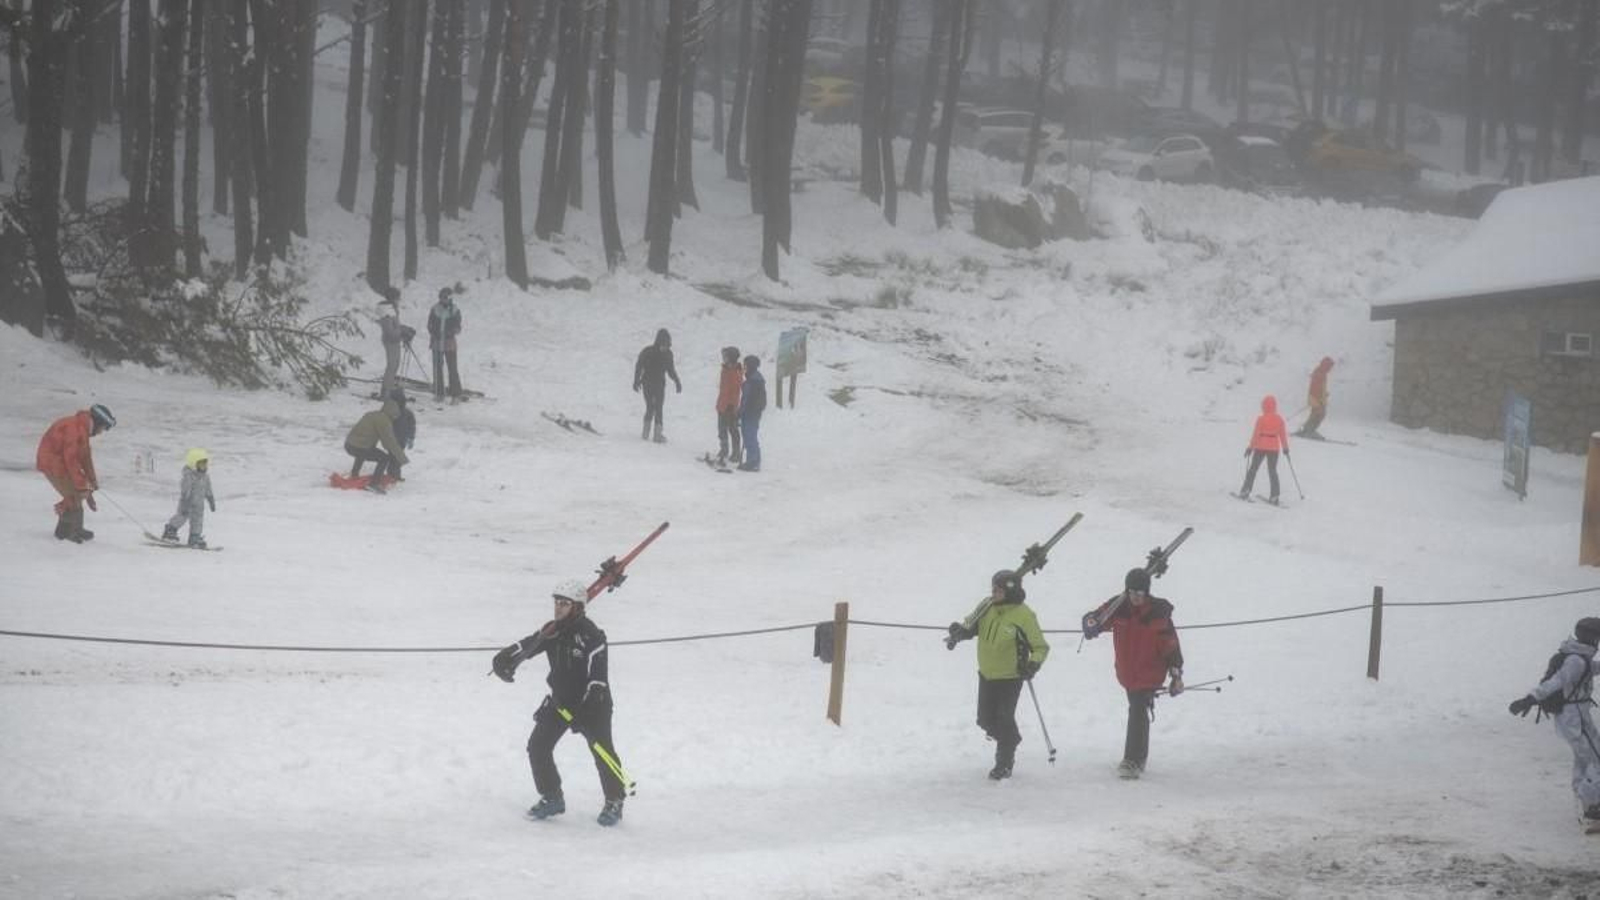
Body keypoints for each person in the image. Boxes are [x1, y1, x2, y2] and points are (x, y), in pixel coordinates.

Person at [492, 579, 628, 827]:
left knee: (603, 752)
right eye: (556, 603)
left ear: (576, 607)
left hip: (593, 705)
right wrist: (505, 658)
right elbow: (529, 645)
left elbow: (598, 678)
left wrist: (588, 706)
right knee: (538, 746)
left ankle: (615, 800)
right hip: (561, 702)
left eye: (564, 604)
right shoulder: (552, 631)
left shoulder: (592, 636)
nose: (558, 608)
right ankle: (552, 796)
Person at [945, 570, 1050, 780]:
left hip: (1010, 677)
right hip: (986, 674)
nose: (993, 593)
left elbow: (1040, 647)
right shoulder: (987, 606)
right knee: (984, 720)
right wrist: (959, 633)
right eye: (993, 588)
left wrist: (1032, 665)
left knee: (1004, 717)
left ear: (1010, 591)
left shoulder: (1024, 615)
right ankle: (1010, 739)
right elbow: (970, 626)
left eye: (998, 590)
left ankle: (1004, 763)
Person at [1082, 568, 1185, 780]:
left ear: (1147, 592)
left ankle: (1133, 760)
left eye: (1140, 593)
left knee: (1138, 709)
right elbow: (1097, 618)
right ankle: (1137, 757)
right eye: (1132, 593)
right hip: (1127, 673)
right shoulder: (1119, 606)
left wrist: (1176, 675)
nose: (1135, 598)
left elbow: (1171, 646)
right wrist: (1090, 623)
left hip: (1150, 673)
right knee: (1137, 708)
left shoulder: (1158, 613)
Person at [1508, 617, 1600, 828]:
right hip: (1574, 718)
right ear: (1591, 638)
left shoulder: (1579, 657)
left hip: (1576, 715)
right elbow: (1555, 682)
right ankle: (1593, 807)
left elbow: (1592, 668)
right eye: (1597, 637)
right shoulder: (1575, 660)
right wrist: (1530, 698)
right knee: (1596, 759)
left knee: (1584, 758)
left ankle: (1585, 799)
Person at [36, 404, 115, 543]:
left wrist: (92, 482)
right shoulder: (74, 429)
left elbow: (85, 458)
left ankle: (75, 529)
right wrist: (81, 485)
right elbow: (71, 460)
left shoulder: (82, 429)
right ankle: (65, 533)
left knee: (78, 493)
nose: (102, 432)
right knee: (73, 494)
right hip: (51, 463)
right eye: (103, 428)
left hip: (61, 463)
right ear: (97, 422)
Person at [344, 398, 409, 493]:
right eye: (395, 415)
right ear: (392, 413)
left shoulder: (372, 414)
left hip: (349, 444)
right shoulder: (384, 420)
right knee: (384, 458)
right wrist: (402, 458)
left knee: (364, 451)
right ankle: (374, 484)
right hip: (360, 446)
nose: (395, 418)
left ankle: (354, 474)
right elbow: (389, 442)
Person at [1237, 394, 1290, 504]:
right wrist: (1285, 448)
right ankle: (1274, 496)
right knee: (1272, 471)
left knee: (1253, 469)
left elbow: (1256, 434)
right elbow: (1283, 435)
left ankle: (1245, 491)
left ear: (1264, 406)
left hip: (1260, 446)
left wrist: (1250, 447)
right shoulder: (1279, 419)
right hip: (1274, 448)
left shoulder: (1261, 419)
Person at [160, 448, 217, 548]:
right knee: (181, 517)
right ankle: (170, 530)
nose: (204, 467)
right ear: (193, 464)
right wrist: (185, 503)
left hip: (199, 505)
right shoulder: (189, 476)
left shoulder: (205, 477)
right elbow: (185, 490)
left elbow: (208, 489)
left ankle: (194, 538)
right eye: (201, 464)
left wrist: (211, 499)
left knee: (198, 521)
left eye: (205, 464)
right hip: (187, 503)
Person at [633, 328, 682, 443]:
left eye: (667, 345)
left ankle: (657, 435)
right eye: (663, 344)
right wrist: (636, 381)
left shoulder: (667, 354)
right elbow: (639, 366)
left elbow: (671, 370)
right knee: (650, 407)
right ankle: (646, 433)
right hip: (647, 383)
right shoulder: (648, 351)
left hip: (659, 385)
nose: (665, 347)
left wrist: (677, 382)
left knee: (659, 408)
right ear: (658, 341)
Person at [376, 288, 414, 399]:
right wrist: (402, 332)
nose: (399, 300)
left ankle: (389, 387)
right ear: (392, 298)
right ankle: (386, 391)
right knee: (392, 365)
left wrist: (405, 329)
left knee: (395, 364)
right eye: (397, 298)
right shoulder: (386, 311)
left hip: (395, 340)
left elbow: (395, 326)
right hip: (390, 341)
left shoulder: (392, 309)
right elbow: (389, 331)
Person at [427, 287, 463, 401]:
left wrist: (450, 332)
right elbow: (429, 324)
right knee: (437, 368)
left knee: (452, 368)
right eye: (441, 297)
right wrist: (433, 332)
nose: (443, 300)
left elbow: (458, 327)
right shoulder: (435, 309)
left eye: (445, 298)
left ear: (450, 298)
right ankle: (439, 393)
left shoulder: (455, 310)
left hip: (449, 343)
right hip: (437, 342)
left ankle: (455, 394)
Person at [716, 346, 744, 466]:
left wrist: (732, 405)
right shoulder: (725, 369)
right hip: (722, 404)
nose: (723, 358)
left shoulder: (736, 372)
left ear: (731, 358)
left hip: (731, 406)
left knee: (733, 429)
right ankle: (724, 449)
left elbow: (736, 390)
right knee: (722, 429)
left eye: (725, 356)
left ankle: (736, 452)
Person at [738, 354, 766, 472]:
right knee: (748, 435)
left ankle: (753, 461)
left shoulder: (754, 381)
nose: (744, 368)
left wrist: (741, 411)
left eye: (746, 365)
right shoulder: (752, 379)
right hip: (751, 413)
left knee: (750, 436)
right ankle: (754, 460)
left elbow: (747, 399)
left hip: (751, 414)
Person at [1295, 357, 1335, 439]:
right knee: (1319, 414)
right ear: (1326, 365)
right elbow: (1315, 388)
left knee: (1316, 414)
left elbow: (1320, 387)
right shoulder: (1320, 373)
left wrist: (1324, 394)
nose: (1331, 369)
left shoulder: (1322, 373)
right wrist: (1320, 398)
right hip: (1316, 398)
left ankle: (1306, 430)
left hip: (1317, 398)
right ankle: (1309, 431)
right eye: (1330, 366)